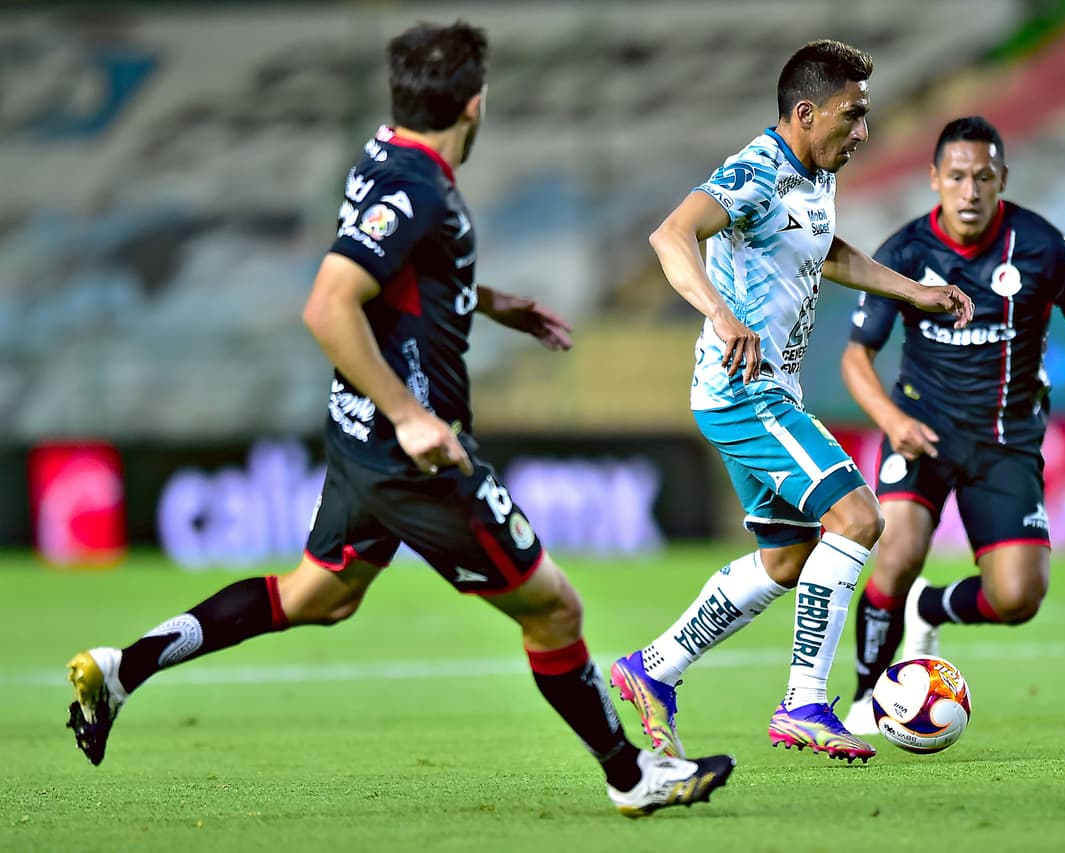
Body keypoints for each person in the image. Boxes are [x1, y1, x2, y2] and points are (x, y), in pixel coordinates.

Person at [65, 20, 734, 818]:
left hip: (357, 440)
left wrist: (487, 302)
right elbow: (329, 301)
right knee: (554, 609)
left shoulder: (383, 155)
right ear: (476, 105)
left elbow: (393, 264)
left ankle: (122, 669)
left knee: (319, 595)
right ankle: (632, 773)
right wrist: (411, 415)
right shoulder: (418, 184)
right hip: (412, 458)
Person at [608, 40, 973, 764]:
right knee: (859, 517)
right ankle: (804, 700)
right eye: (852, 115)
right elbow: (671, 234)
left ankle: (654, 667)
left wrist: (914, 291)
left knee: (785, 560)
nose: (863, 132)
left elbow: (824, 250)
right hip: (748, 390)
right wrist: (719, 312)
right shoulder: (755, 171)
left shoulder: (813, 174)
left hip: (757, 391)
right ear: (805, 114)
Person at [839, 116, 1065, 732]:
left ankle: (930, 606)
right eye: (958, 177)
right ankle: (869, 697)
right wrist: (891, 419)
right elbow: (855, 356)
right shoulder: (906, 254)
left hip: (1006, 441)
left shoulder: (1043, 247)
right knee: (896, 551)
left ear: (1002, 179)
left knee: (1018, 597)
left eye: (983, 177)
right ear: (935, 179)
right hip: (923, 430)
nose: (970, 191)